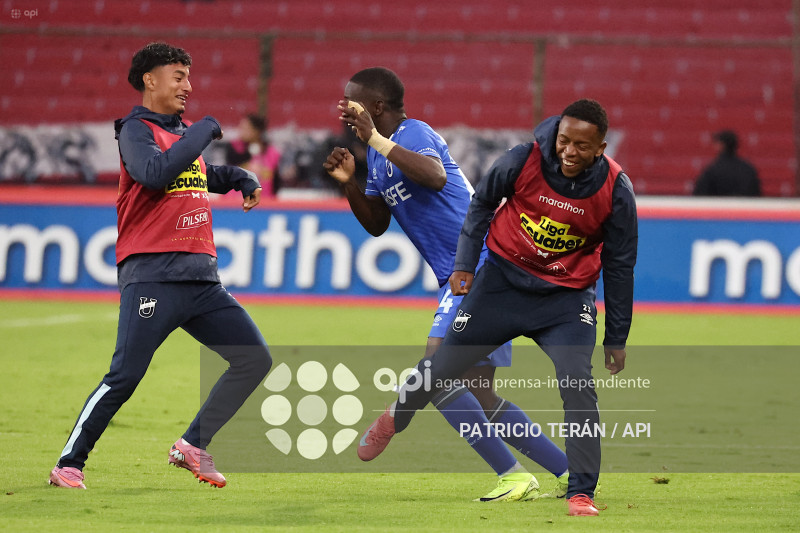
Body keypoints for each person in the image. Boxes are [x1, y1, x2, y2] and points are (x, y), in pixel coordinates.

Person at [357, 99, 638, 517]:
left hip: (565, 299)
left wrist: (617, 336)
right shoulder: (523, 159)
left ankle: (581, 493)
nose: (568, 151)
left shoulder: (615, 191)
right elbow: (482, 205)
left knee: (577, 384)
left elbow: (620, 264)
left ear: (601, 148)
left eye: (582, 146)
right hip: (501, 285)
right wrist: (465, 265)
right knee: (439, 368)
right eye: (564, 141)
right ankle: (396, 417)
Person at [323, 67, 569, 502]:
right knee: (480, 393)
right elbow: (378, 224)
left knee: (437, 372)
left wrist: (375, 140)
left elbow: (435, 176)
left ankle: (508, 474)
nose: (344, 108)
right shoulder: (377, 156)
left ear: (376, 106)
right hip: (465, 274)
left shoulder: (413, 132)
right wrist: (350, 185)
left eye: (352, 101)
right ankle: (571, 473)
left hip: (482, 264)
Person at [48, 42, 272, 490]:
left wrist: (241, 177)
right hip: (154, 278)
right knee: (125, 376)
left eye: (189, 77)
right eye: (178, 76)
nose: (188, 86)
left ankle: (192, 444)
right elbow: (155, 173)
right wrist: (204, 130)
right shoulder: (134, 130)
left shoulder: (182, 135)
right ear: (150, 80)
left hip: (201, 281)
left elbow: (201, 174)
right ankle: (69, 463)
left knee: (253, 359)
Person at [224, 113, 282, 198]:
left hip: (264, 199)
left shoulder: (272, 152)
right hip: (235, 199)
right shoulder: (234, 148)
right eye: (240, 127)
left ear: (256, 131)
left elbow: (276, 181)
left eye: (245, 128)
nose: (241, 131)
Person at [693, 130, 760, 196]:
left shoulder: (712, 169)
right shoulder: (747, 168)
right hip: (743, 203)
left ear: (721, 145)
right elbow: (756, 194)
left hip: (719, 203)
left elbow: (700, 194)